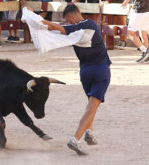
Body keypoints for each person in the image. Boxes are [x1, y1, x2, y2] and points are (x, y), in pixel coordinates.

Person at [39, 4, 111, 155]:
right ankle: (76, 139)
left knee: (91, 104)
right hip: (100, 69)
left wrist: (38, 20)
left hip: (85, 72)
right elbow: (61, 27)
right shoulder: (89, 23)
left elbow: (57, 28)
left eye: (67, 20)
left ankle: (89, 133)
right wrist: (42, 21)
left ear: (71, 16)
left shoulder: (73, 29)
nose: (68, 22)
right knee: (92, 106)